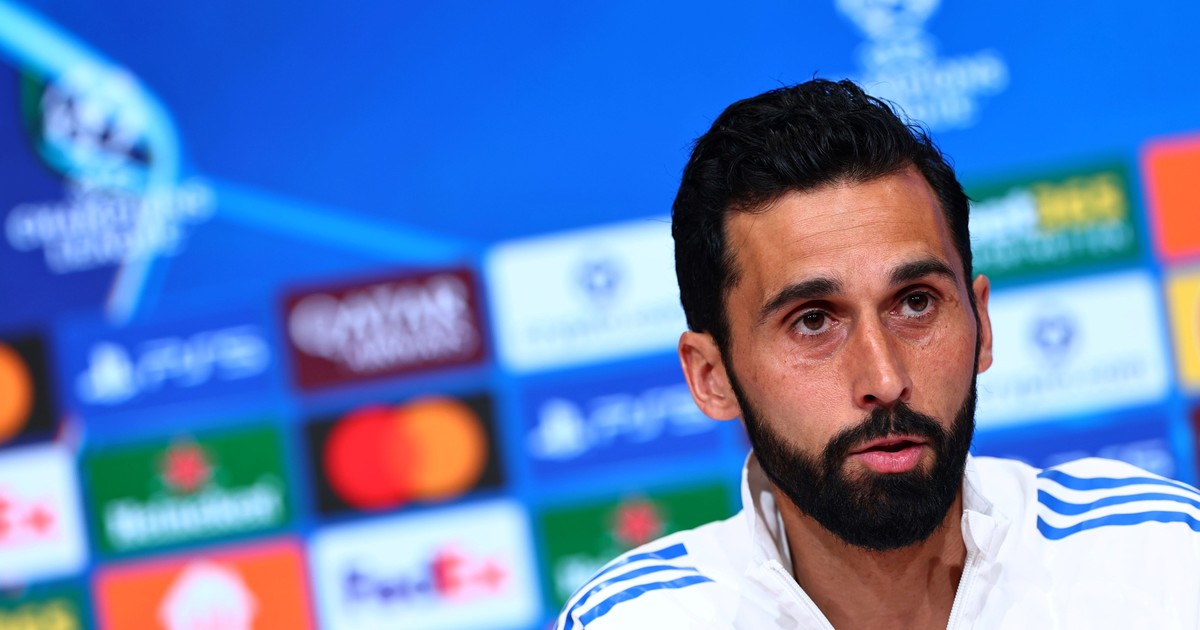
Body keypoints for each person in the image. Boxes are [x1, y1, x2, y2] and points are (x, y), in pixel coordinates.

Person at [554, 79, 1200, 629]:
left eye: (915, 303)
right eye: (813, 321)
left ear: (981, 322)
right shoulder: (637, 620)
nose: (885, 379)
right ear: (711, 376)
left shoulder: (1162, 562)